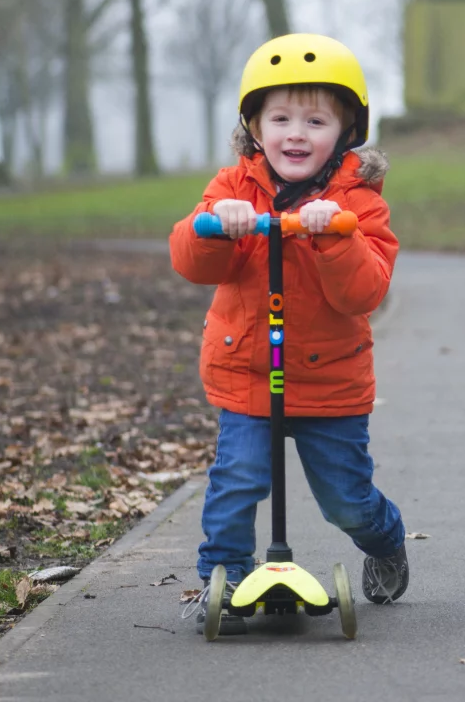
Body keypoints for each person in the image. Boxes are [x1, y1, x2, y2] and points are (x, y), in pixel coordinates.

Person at [171, 33, 408, 633]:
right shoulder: (232, 190)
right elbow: (190, 261)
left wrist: (337, 237)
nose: (295, 133)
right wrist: (215, 229)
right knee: (237, 482)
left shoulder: (359, 203)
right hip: (249, 373)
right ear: (254, 127)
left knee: (346, 502)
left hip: (330, 383)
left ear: (347, 130)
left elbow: (365, 293)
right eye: (279, 118)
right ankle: (222, 578)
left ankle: (385, 539)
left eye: (315, 119)